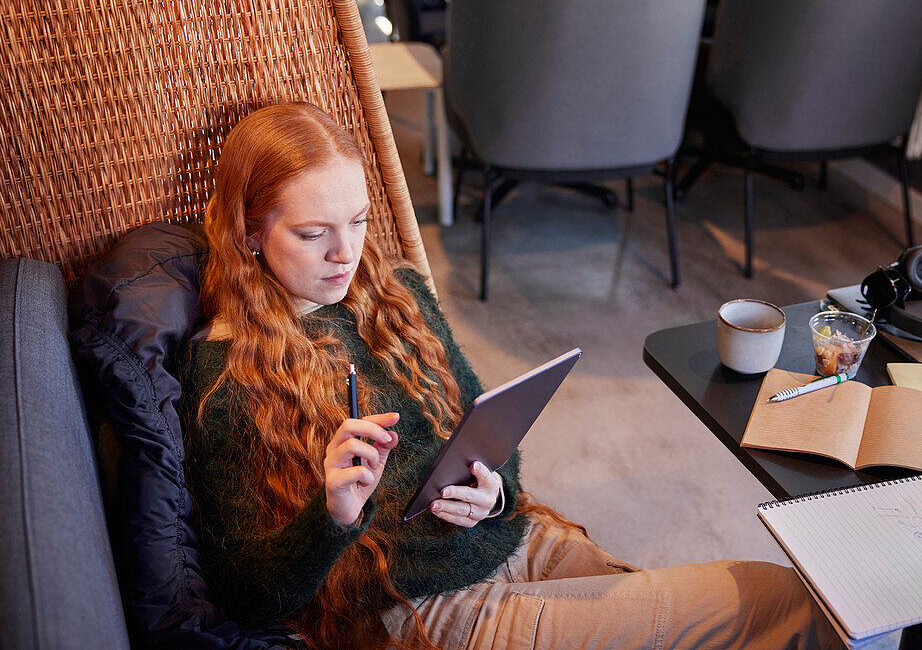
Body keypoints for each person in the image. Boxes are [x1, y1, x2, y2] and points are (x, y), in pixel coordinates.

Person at [179, 101, 841, 650]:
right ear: (248, 234)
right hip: (418, 606)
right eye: (313, 233)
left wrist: (493, 492)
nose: (346, 253)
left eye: (357, 222)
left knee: (717, 620)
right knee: (771, 598)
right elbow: (245, 595)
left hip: (506, 535)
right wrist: (330, 516)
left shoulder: (397, 295)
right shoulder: (226, 370)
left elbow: (493, 437)